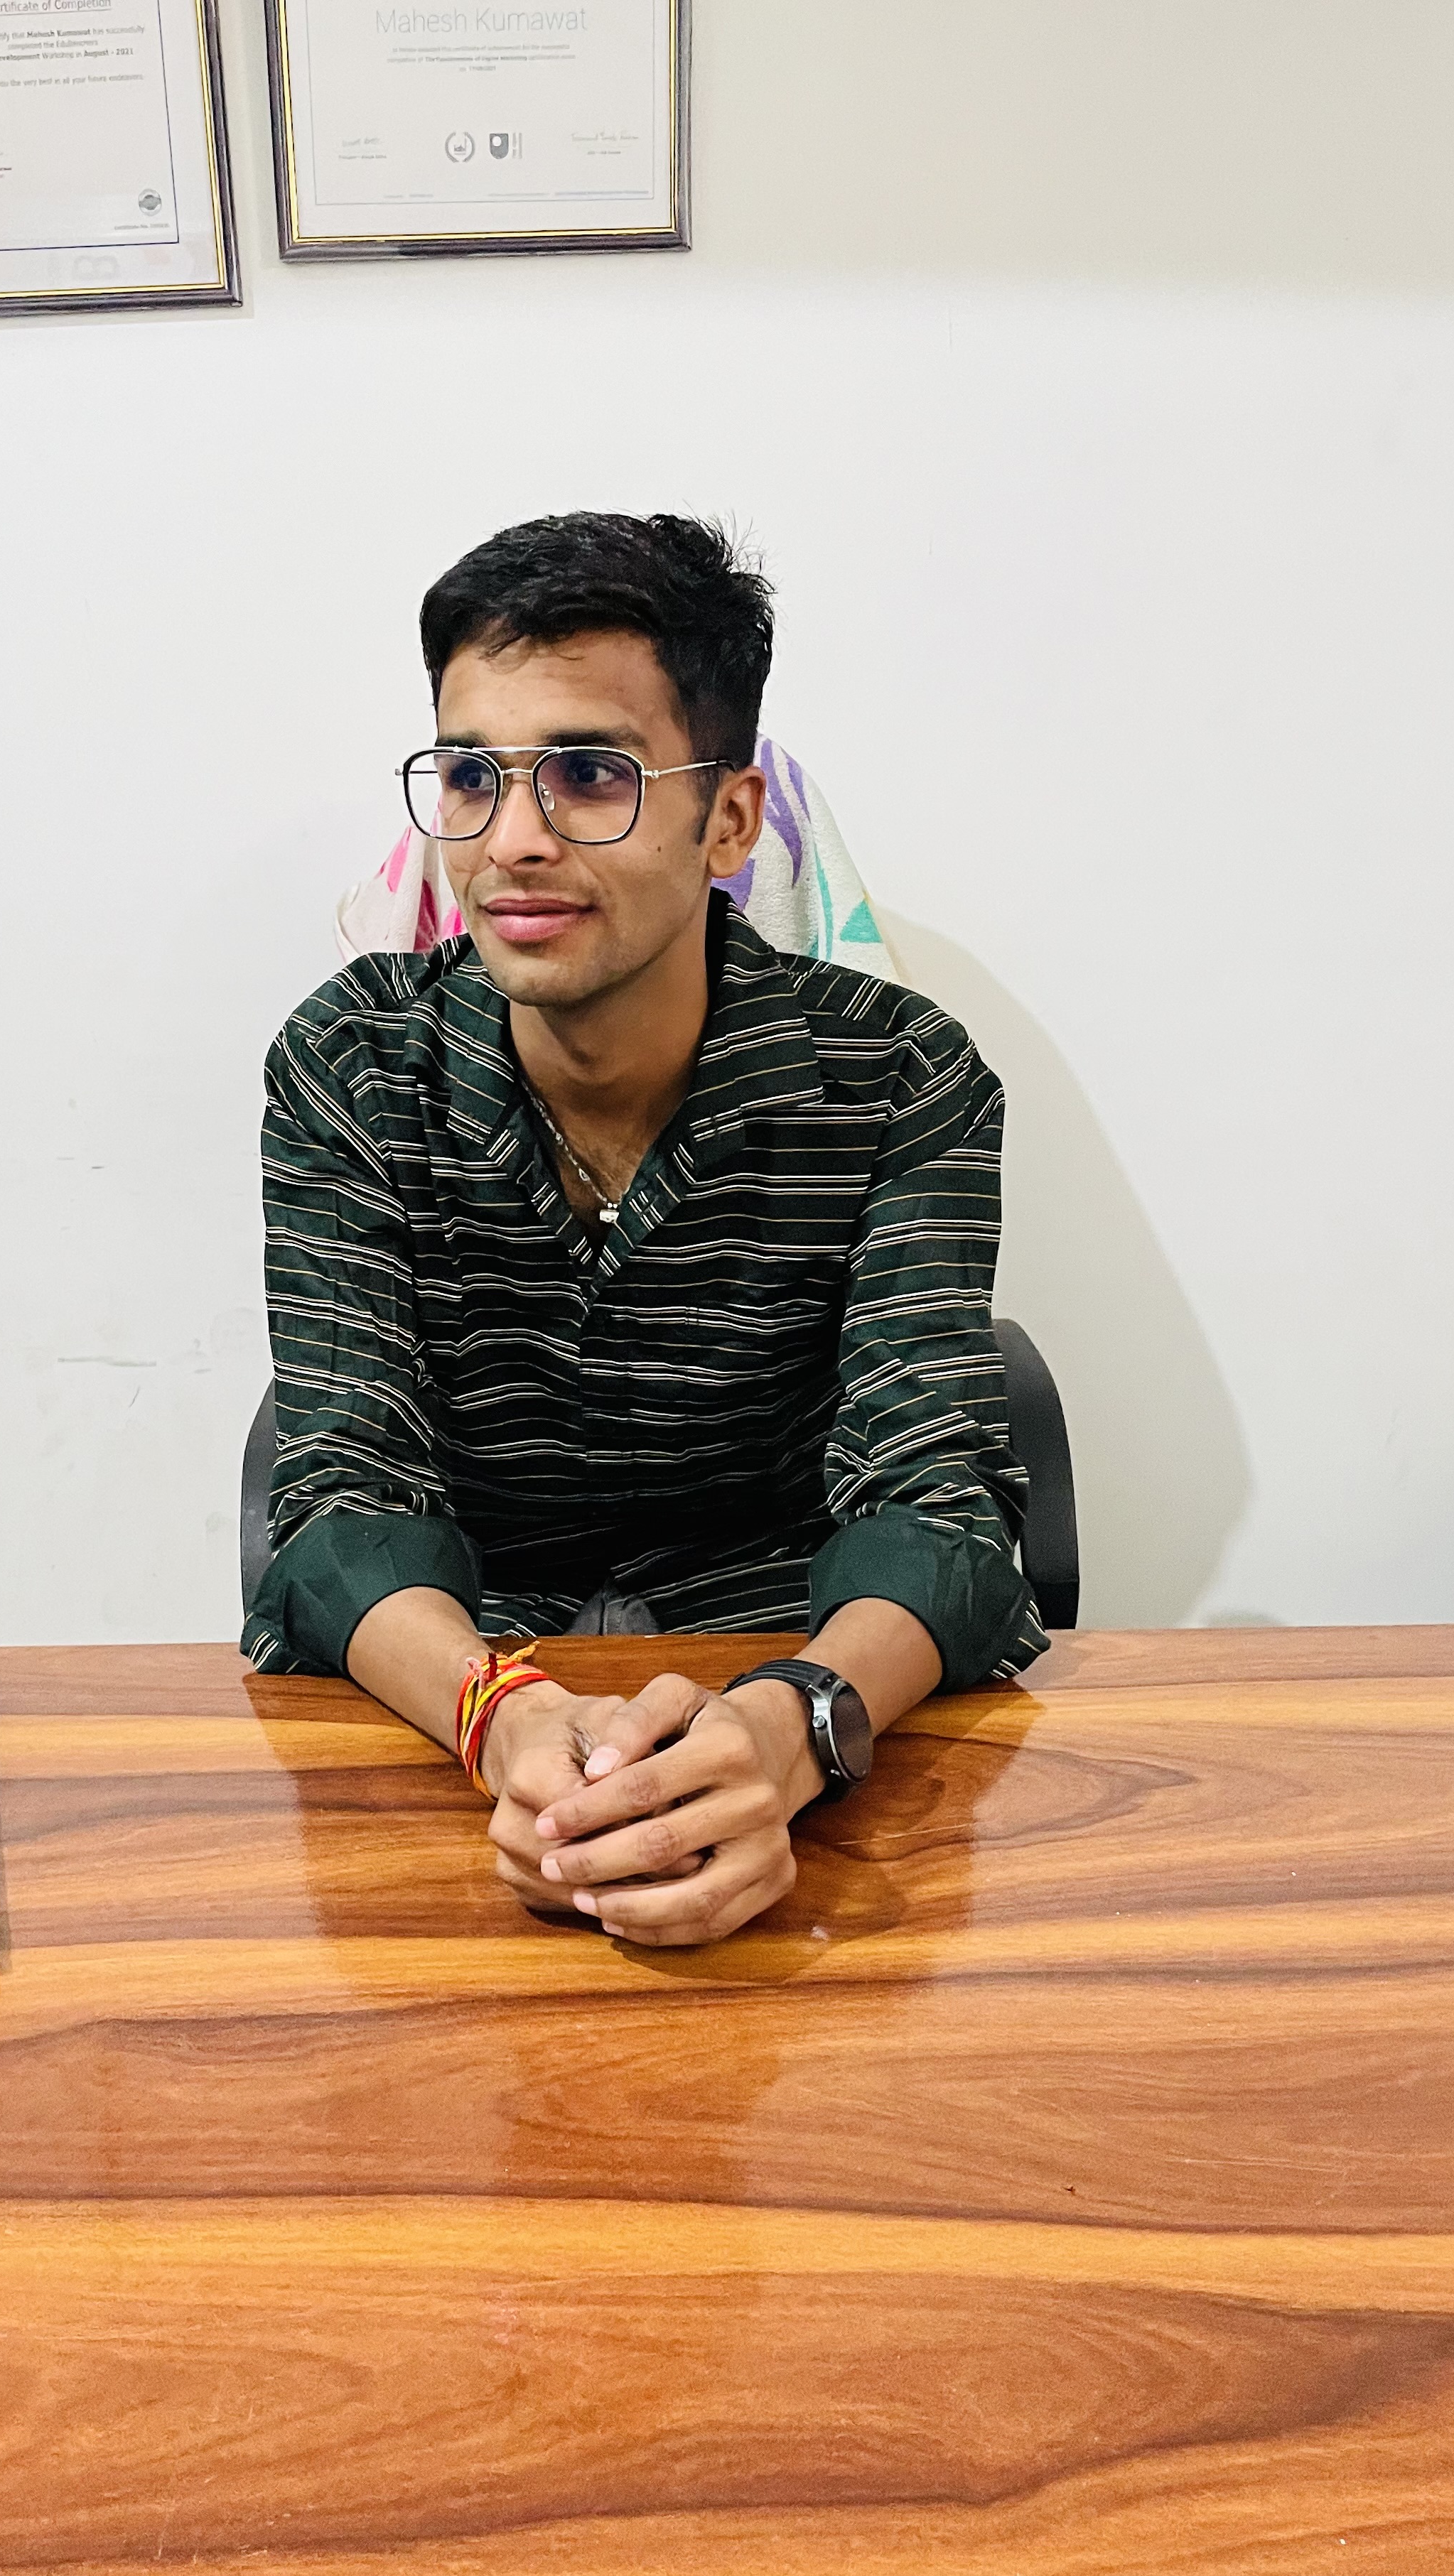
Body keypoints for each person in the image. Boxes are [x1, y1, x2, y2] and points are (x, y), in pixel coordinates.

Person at [244, 512, 1045, 1946]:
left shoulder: (898, 1079)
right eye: (472, 775)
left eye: (590, 774)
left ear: (727, 821)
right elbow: (342, 1493)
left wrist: (792, 1724)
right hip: (452, 1710)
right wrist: (504, 1713)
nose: (514, 841)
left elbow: (936, 1505)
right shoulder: (350, 1069)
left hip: (795, 1708)